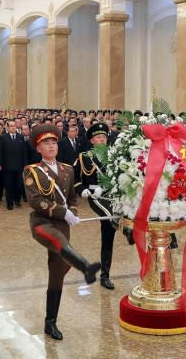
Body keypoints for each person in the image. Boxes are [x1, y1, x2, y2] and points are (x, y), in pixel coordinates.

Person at [24, 124, 101, 341]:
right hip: (42, 223)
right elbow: (35, 200)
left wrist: (73, 212)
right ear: (38, 148)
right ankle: (86, 267)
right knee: (58, 241)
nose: (51, 146)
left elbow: (72, 198)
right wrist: (61, 212)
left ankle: (50, 323)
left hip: (62, 225)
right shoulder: (32, 171)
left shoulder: (68, 169)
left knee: (56, 274)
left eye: (53, 142)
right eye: (45, 143)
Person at [73, 122, 117, 290]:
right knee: (111, 218)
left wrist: (107, 187)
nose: (102, 140)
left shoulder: (113, 155)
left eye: (104, 137)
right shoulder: (83, 157)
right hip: (95, 196)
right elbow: (75, 179)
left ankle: (105, 275)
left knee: (108, 236)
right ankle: (126, 229)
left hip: (111, 195)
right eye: (98, 137)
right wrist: (82, 190)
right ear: (92, 140)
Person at [0, 120, 26, 210]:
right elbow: (0, 152)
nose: (13, 128)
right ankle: (9, 203)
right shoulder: (3, 137)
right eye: (10, 126)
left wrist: (25, 164)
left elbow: (24, 153)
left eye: (14, 126)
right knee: (9, 185)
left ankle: (17, 200)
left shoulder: (21, 137)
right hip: (7, 166)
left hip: (19, 166)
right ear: (7, 128)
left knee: (18, 184)